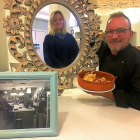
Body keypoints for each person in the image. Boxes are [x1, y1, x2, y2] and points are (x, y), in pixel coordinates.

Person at [89, 11, 140, 110]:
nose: (114, 36)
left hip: (128, 116)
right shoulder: (104, 49)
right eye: (110, 32)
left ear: (130, 34)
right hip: (102, 108)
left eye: (121, 31)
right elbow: (88, 40)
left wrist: (108, 94)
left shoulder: (137, 59)